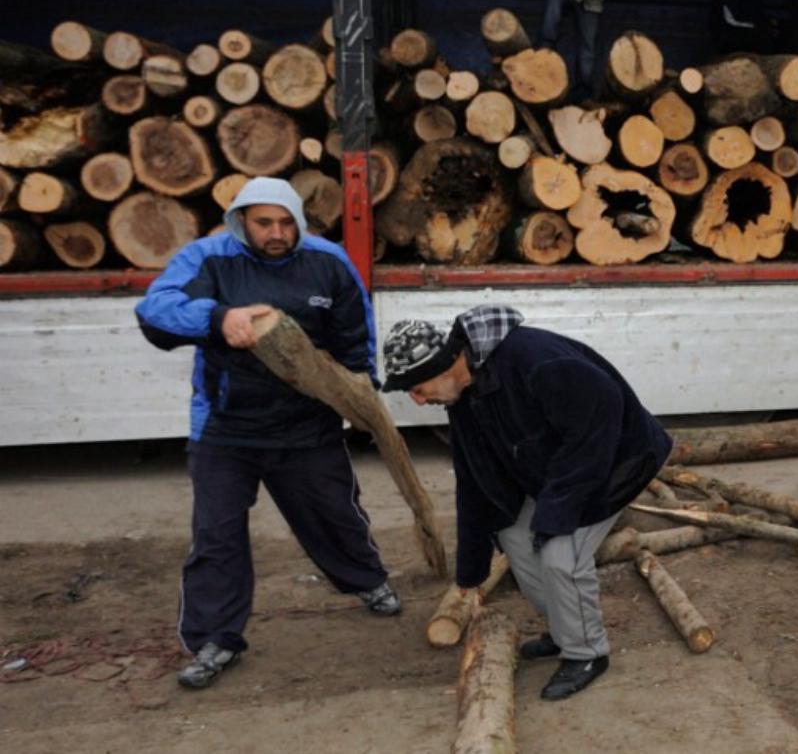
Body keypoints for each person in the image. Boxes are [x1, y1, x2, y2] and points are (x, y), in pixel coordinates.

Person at [134, 177, 398, 691]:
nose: (277, 233)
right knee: (217, 536)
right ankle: (216, 639)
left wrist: (359, 393)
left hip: (307, 425)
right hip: (225, 429)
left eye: (286, 222)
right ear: (240, 221)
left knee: (335, 513)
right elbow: (155, 312)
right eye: (263, 223)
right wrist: (216, 317)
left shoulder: (328, 261)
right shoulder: (209, 258)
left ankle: (367, 580)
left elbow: (354, 335)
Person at [381, 306, 672, 701]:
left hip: (617, 460)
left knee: (559, 554)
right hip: (554, 469)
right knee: (515, 537)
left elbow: (599, 420)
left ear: (445, 363)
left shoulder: (535, 361)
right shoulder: (462, 400)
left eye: (418, 389)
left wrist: (557, 512)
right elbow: (474, 483)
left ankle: (587, 653)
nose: (418, 401)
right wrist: (470, 573)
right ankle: (564, 628)